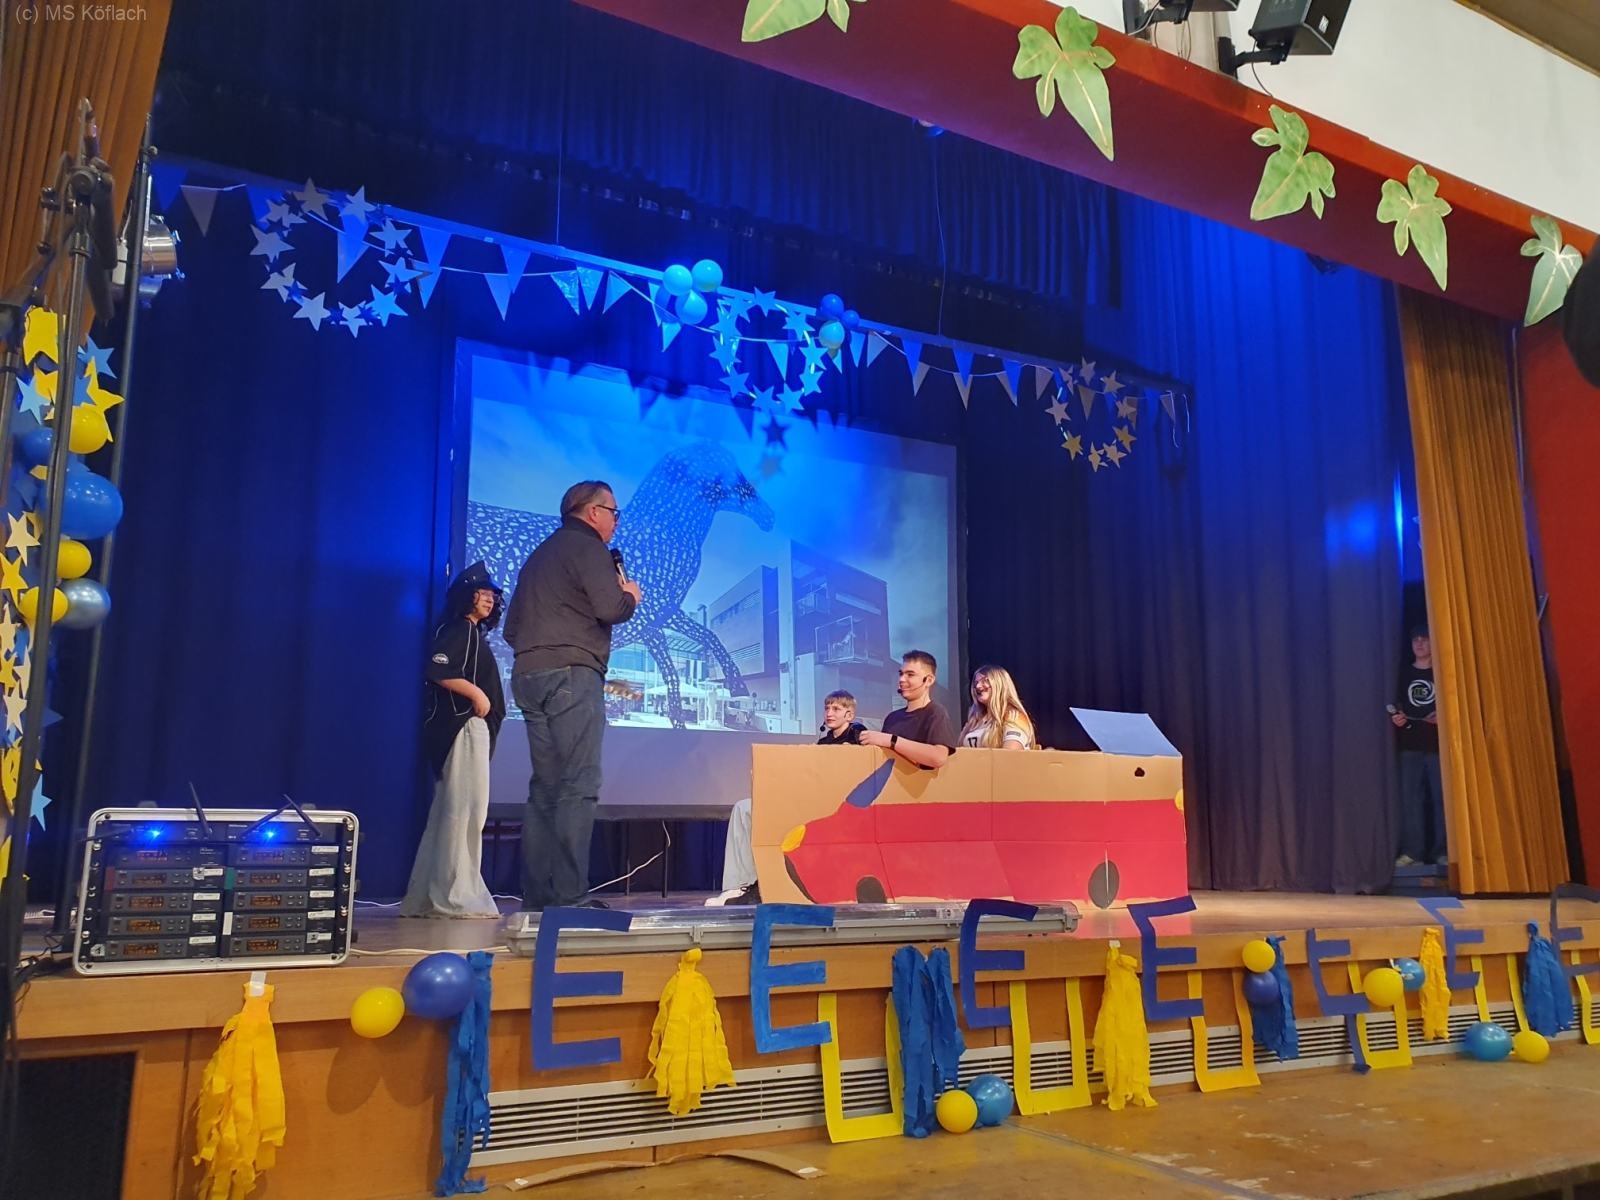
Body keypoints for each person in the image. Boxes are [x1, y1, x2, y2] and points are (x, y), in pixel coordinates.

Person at [503, 481, 643, 911]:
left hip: (528, 675)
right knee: (578, 784)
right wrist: (629, 596)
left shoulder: (539, 556)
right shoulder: (590, 549)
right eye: (614, 512)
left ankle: (538, 898)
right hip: (572, 674)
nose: (616, 521)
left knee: (545, 787)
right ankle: (569, 899)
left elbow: (510, 630)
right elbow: (611, 609)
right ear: (593, 512)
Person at [401, 562, 507, 919]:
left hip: (467, 728)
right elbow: (439, 668)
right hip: (463, 727)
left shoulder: (471, 632)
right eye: (481, 593)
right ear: (466, 596)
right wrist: (477, 694)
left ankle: (431, 895)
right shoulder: (460, 629)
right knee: (464, 810)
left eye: (491, 594)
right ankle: (456, 895)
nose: (489, 599)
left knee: (454, 810)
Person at [716, 691, 863, 903]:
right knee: (743, 808)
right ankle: (739, 885)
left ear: (849, 715)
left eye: (836, 709)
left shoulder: (858, 737)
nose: (829, 713)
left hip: (831, 809)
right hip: (804, 800)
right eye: (827, 708)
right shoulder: (822, 743)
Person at [1390, 624, 1446, 867]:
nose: (1420, 644)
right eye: (1416, 640)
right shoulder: (1404, 674)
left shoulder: (1442, 673)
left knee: (1441, 799)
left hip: (1438, 746)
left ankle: (1443, 852)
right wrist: (1397, 717)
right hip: (1410, 745)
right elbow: (1395, 706)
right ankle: (1413, 853)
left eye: (1424, 639)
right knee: (1410, 800)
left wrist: (1444, 716)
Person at [858, 650, 960, 768]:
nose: (902, 679)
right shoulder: (892, 718)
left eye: (910, 674)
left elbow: (938, 757)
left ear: (929, 680)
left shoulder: (935, 713)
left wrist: (892, 741)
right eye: (901, 674)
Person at [960, 665, 1035, 750]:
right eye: (976, 682)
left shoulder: (1013, 716)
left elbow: (1011, 753)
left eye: (985, 680)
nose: (978, 686)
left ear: (999, 684)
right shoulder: (975, 720)